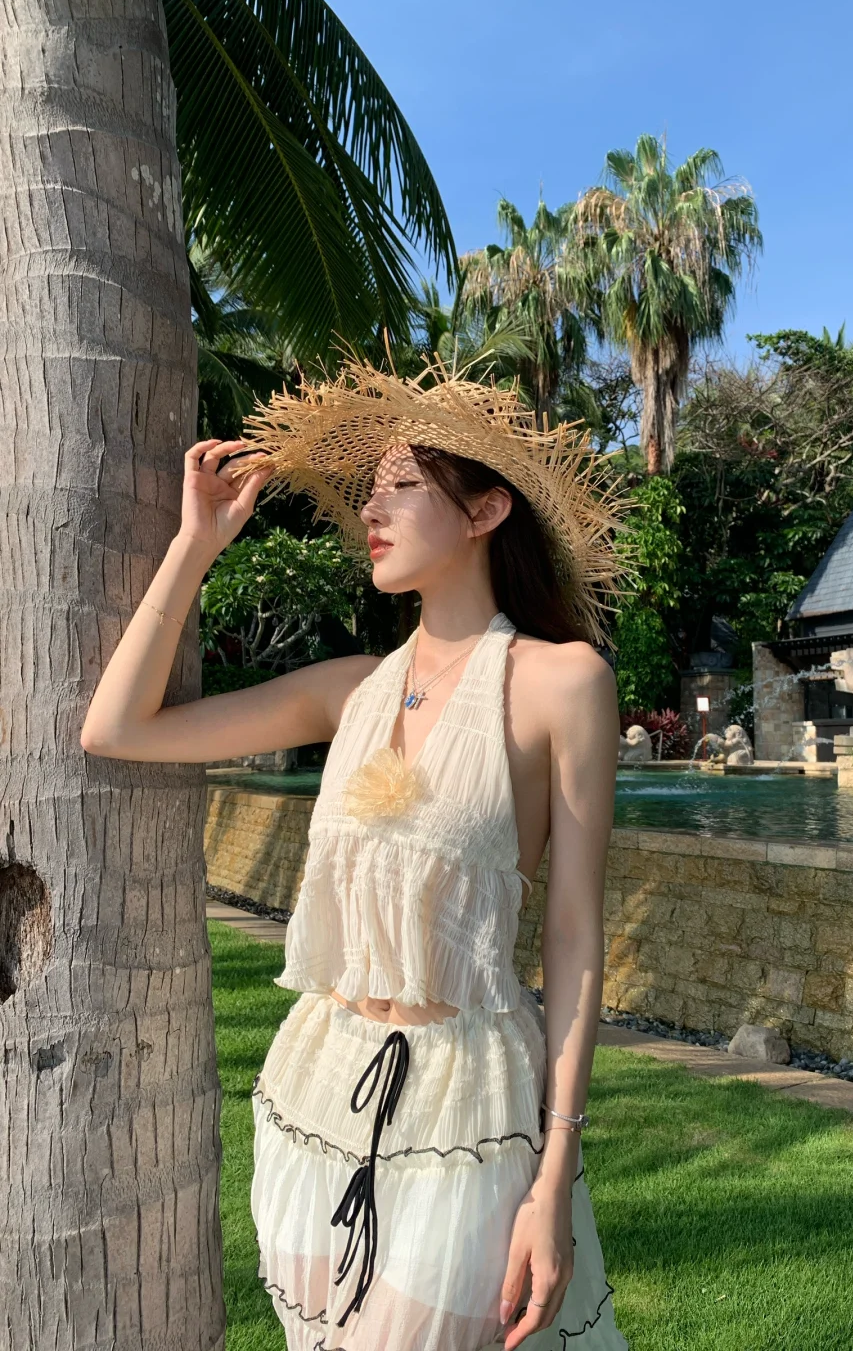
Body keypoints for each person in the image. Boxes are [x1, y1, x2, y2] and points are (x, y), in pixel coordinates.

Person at [80, 361, 630, 1351]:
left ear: (486, 510)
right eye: (372, 488)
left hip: (467, 1100)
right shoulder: (349, 690)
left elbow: (575, 937)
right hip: (319, 1080)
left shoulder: (564, 682)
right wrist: (194, 546)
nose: (372, 509)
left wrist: (555, 1174)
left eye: (403, 485)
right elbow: (115, 729)